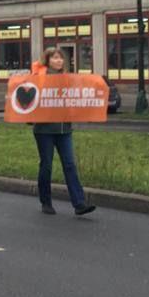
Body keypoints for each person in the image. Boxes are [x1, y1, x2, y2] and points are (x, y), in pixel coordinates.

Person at [32, 47, 96, 217]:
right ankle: (46, 201)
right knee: (46, 165)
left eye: (60, 58)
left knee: (70, 164)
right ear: (48, 60)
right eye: (55, 58)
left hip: (64, 129)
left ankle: (79, 203)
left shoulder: (68, 78)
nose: (58, 61)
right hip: (45, 129)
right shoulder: (40, 77)